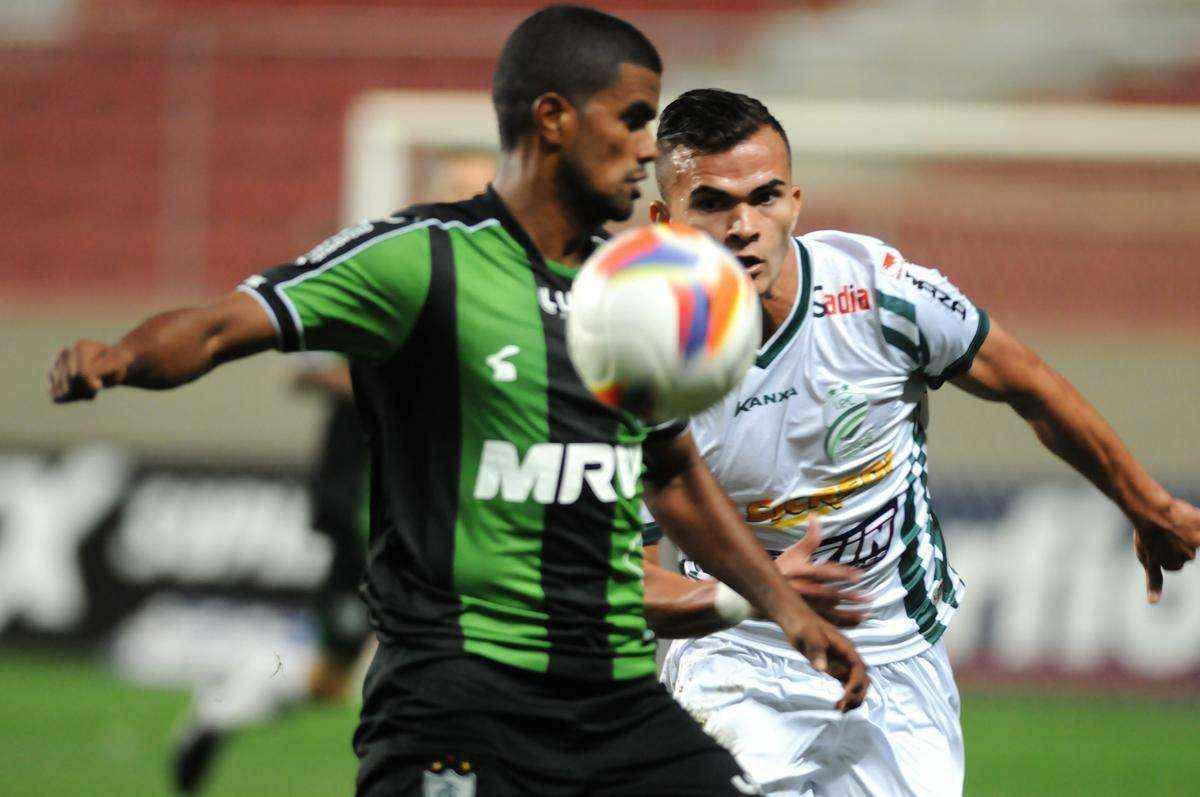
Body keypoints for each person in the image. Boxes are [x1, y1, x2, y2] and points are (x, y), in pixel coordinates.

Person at [46, 9, 867, 795]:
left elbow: (677, 473)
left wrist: (784, 606)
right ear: (554, 119)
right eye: (632, 118)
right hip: (458, 699)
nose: (649, 147)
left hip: (615, 702)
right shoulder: (420, 260)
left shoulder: (631, 290)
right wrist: (120, 358)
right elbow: (226, 325)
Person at [642, 88, 1200, 796]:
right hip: (734, 664)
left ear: (797, 202)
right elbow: (615, 579)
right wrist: (750, 597)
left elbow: (1028, 383)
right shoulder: (641, 362)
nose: (744, 225)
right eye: (713, 203)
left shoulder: (875, 291)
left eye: (765, 196)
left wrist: (1147, 503)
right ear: (664, 221)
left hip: (900, 664)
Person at [172, 355, 375, 794]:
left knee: (336, 680)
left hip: (387, 523)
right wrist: (385, 383)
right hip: (361, 527)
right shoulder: (370, 314)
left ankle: (224, 704)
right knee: (342, 673)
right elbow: (301, 370)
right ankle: (223, 704)